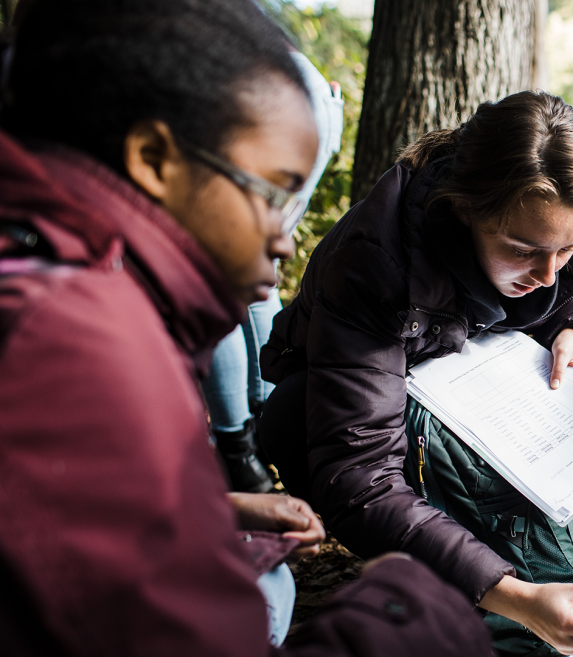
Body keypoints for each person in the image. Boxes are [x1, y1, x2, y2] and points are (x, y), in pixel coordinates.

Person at [0, 0, 494, 655]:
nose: (283, 238)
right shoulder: (78, 348)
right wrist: (409, 610)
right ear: (153, 157)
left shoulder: (58, 290)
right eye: (273, 192)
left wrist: (208, 515)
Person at [258, 90, 573, 657]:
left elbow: (571, 287)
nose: (547, 273)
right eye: (524, 251)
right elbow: (360, 471)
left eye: (566, 249)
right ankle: (470, 573)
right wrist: (512, 595)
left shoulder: (544, 234)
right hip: (380, 407)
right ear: (465, 211)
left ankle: (517, 540)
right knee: (299, 418)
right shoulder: (374, 263)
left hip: (482, 386)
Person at [204, 49, 344, 494]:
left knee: (223, 276)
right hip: (312, 98)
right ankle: (263, 421)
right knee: (252, 275)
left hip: (277, 107)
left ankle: (239, 448)